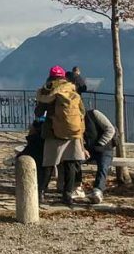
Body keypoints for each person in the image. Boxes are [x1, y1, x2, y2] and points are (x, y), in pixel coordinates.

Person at [34, 65, 86, 206]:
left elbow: (38, 112)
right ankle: (67, 195)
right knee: (70, 163)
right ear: (64, 76)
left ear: (51, 76)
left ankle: (41, 193)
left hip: (53, 132)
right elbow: (82, 111)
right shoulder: (72, 89)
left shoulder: (49, 90)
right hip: (73, 132)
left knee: (49, 164)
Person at [82, 107, 117, 204]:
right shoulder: (74, 120)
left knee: (103, 166)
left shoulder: (94, 114)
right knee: (74, 162)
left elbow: (110, 129)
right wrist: (83, 149)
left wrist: (101, 143)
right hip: (88, 150)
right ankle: (76, 187)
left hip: (105, 148)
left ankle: (98, 190)